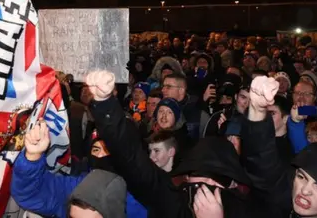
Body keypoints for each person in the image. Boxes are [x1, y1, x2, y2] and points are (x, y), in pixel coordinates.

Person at [86, 70, 269, 218]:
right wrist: (105, 105)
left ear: (232, 185)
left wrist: (258, 115)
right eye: (201, 178)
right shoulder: (170, 199)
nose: (207, 187)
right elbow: (131, 158)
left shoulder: (244, 210)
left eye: (217, 180)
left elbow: (268, 176)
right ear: (187, 178)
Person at [242, 75, 317, 217]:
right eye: (302, 177)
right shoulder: (285, 198)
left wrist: (304, 113)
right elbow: (262, 160)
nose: (305, 191)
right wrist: (258, 110)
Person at [10, 120, 147, 218]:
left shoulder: (148, 196)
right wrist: (33, 157)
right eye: (96, 149)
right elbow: (30, 194)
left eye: (108, 150)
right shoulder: (79, 187)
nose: (100, 156)